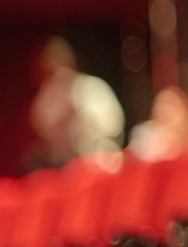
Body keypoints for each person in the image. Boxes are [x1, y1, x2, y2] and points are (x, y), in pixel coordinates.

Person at [26, 37, 125, 169]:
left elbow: (113, 126)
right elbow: (41, 133)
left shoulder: (92, 86)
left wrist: (80, 115)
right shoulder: (46, 98)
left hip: (98, 160)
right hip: (61, 167)